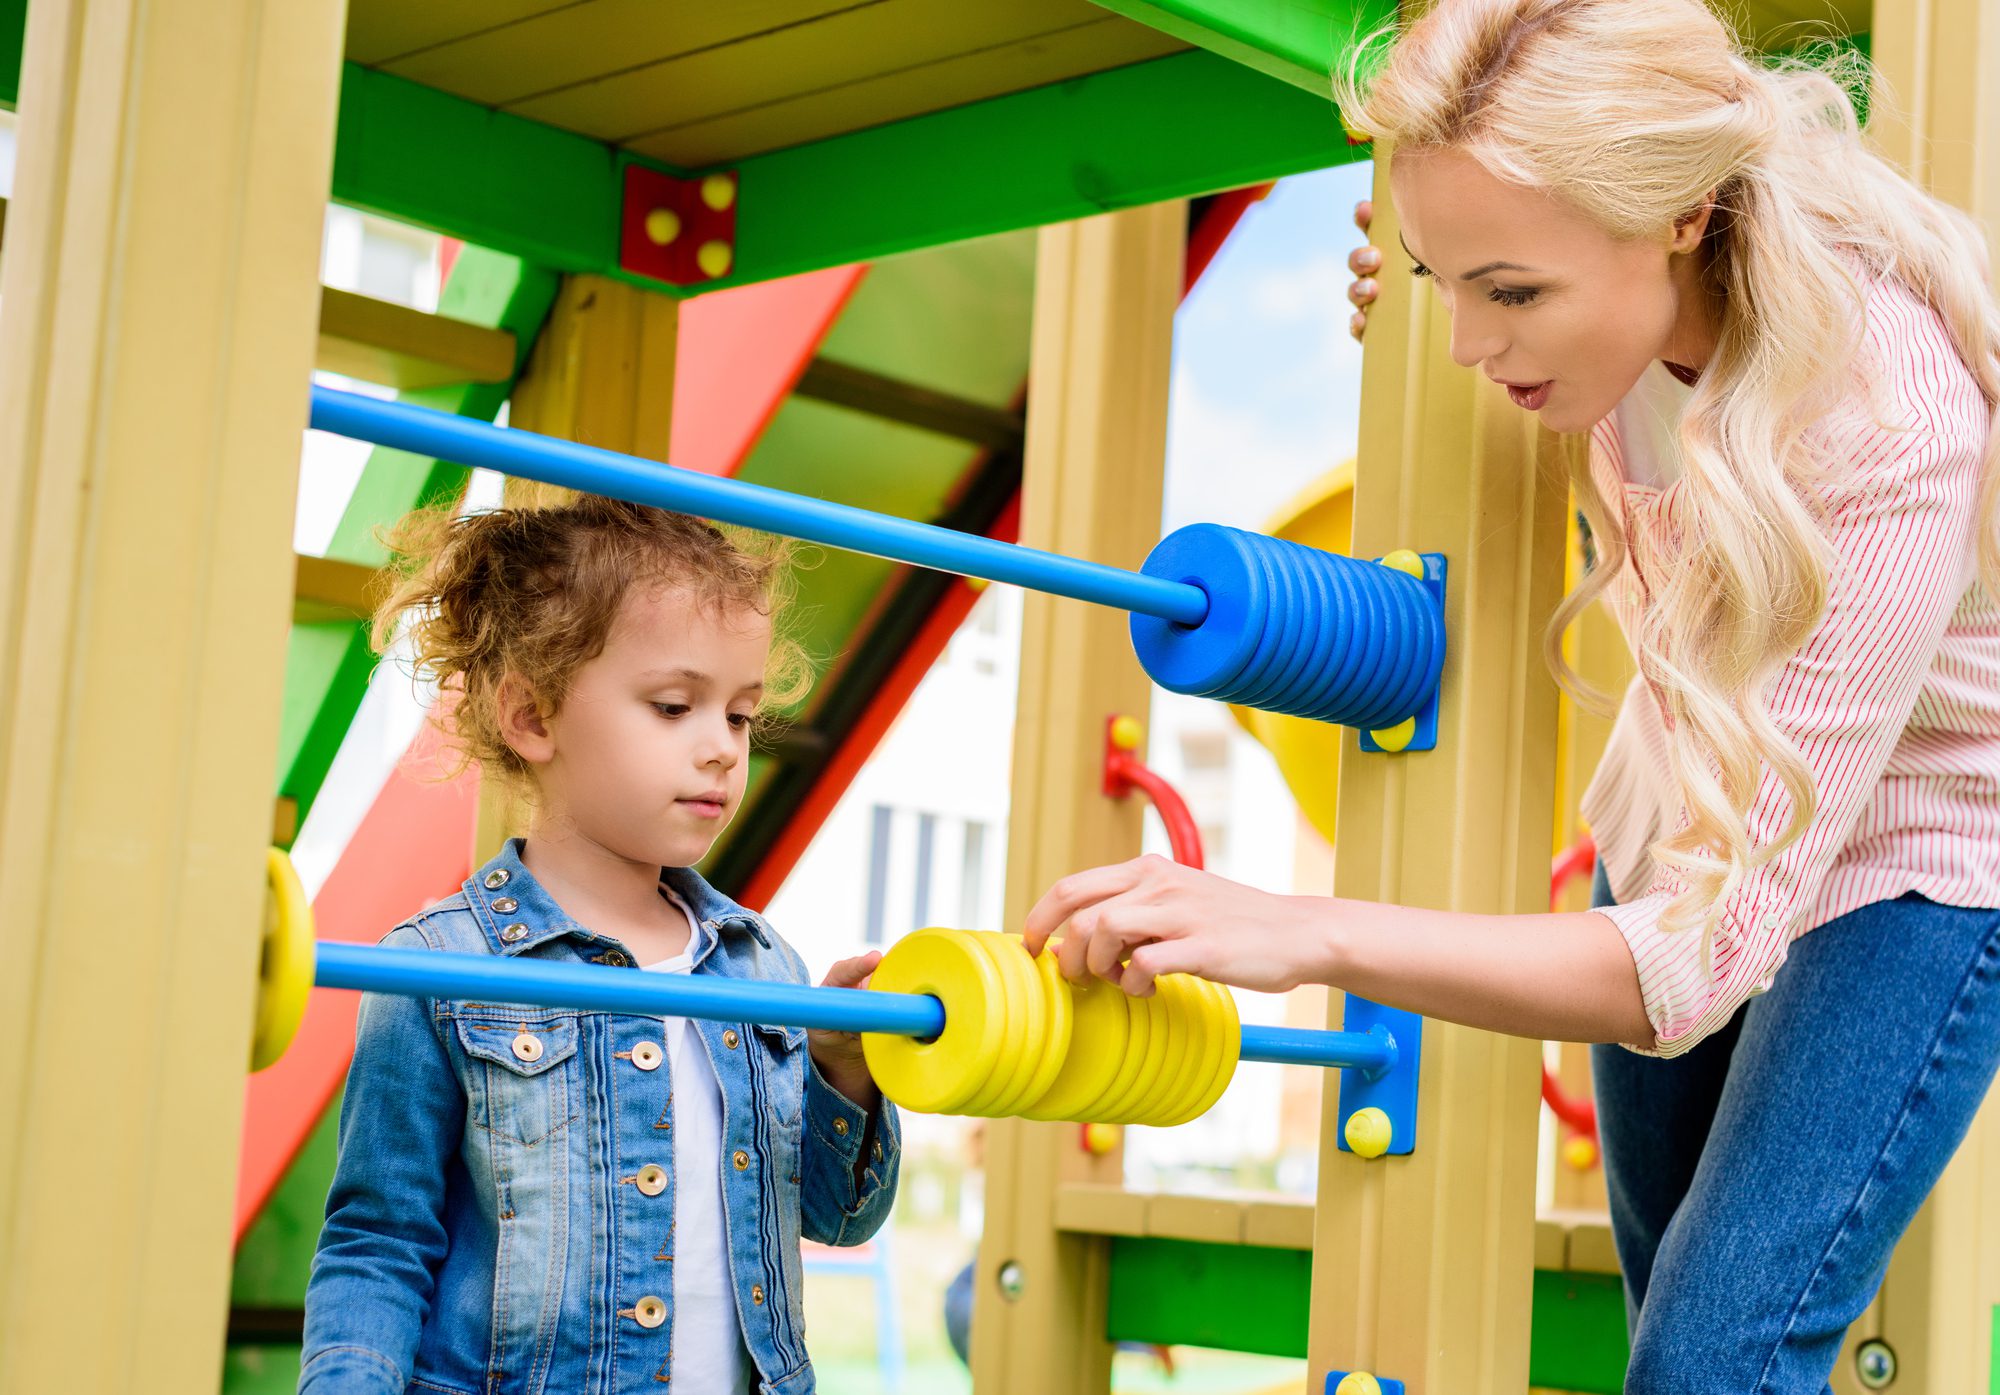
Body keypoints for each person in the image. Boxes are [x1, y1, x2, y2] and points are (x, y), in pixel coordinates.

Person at [1022, 0, 2000, 1388]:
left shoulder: (1885, 414)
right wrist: (1457, 280)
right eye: (1447, 282)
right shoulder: (1605, 309)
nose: (1474, 342)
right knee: (1662, 1310)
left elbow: (1685, 967)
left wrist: (1305, 928)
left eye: (1515, 292)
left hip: (1913, 863)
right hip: (1690, 803)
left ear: (1683, 215)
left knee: (1711, 1358)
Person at [299, 497, 900, 1395]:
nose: (721, 750)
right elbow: (378, 1243)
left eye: (737, 716)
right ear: (533, 718)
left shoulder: (763, 965)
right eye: (672, 706)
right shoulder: (441, 968)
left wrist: (842, 1072)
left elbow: (838, 1217)